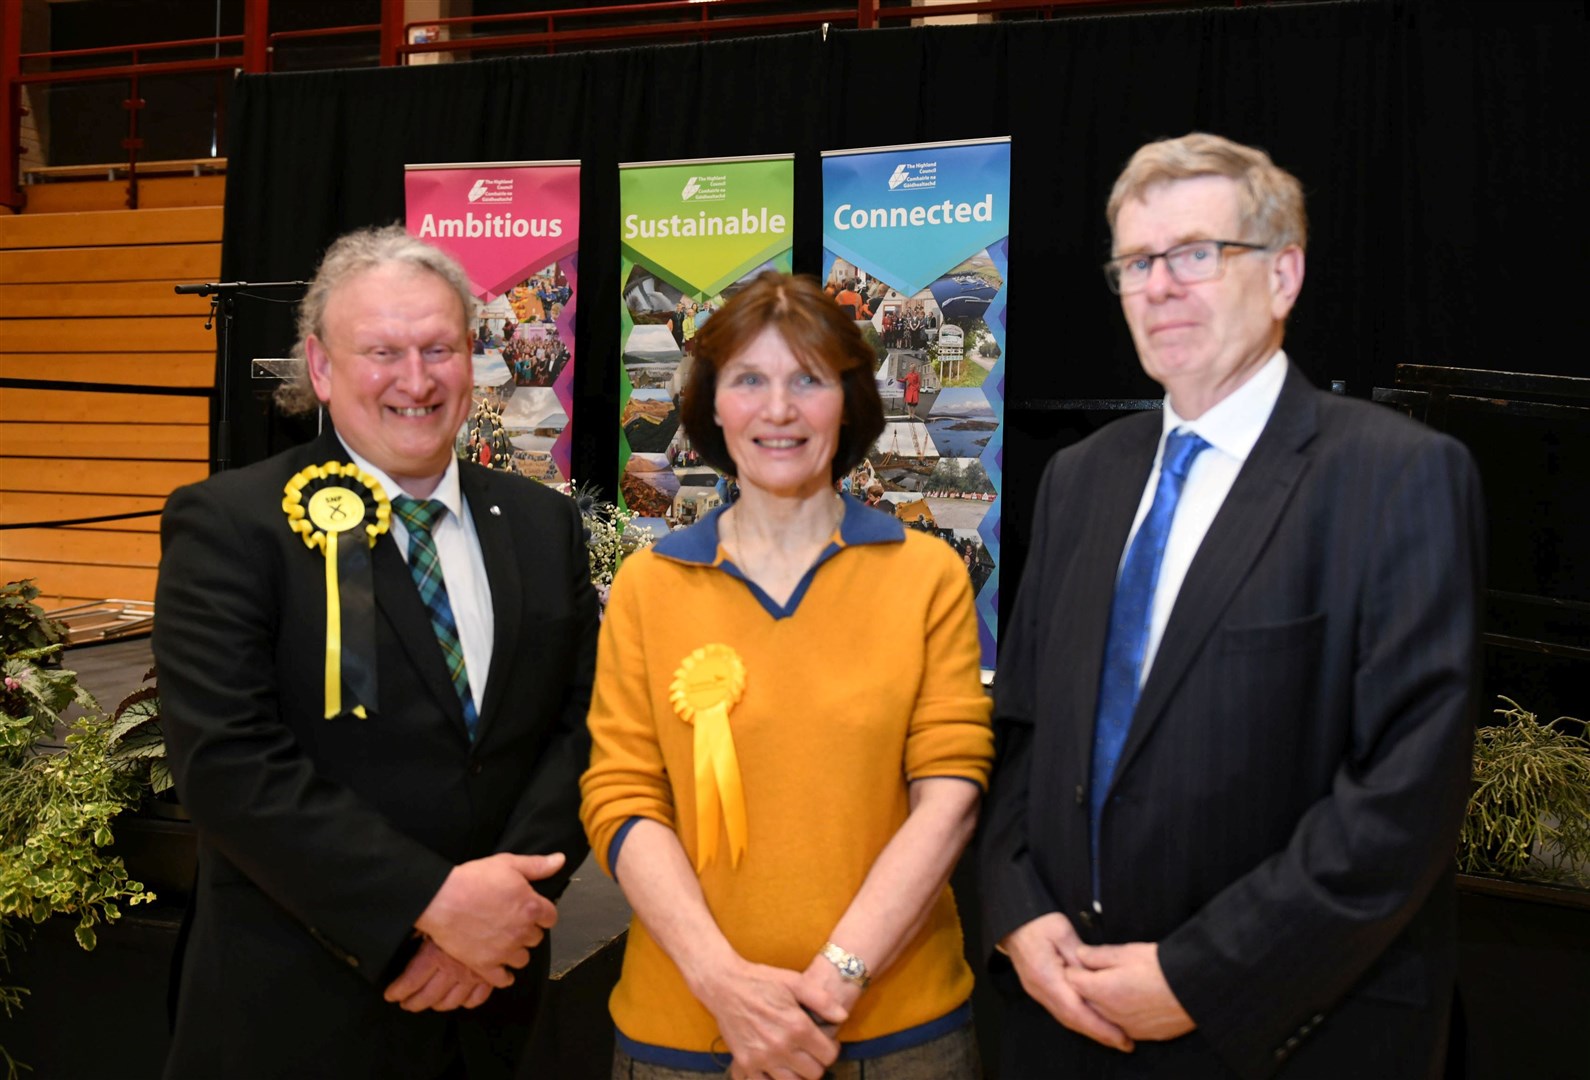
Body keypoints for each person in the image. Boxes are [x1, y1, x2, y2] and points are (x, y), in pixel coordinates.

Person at [979, 133, 1484, 1079]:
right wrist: (1017, 913)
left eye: (1197, 253)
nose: (1160, 286)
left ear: (1283, 275)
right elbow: (1026, 732)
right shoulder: (1079, 480)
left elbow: (1404, 795)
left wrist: (1199, 976)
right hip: (1061, 1019)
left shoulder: (1398, 475)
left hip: (1283, 1031)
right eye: (1137, 262)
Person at [153, 226, 599, 1079]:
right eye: (382, 351)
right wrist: (428, 907)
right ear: (320, 368)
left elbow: (588, 726)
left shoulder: (544, 526)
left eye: (440, 347)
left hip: (496, 1002)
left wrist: (502, 913)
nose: (417, 379)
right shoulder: (232, 524)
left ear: (474, 358)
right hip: (298, 1012)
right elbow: (227, 763)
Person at [581, 271, 993, 1080]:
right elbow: (621, 797)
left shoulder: (927, 576)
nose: (779, 410)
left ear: (850, 401)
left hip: (898, 1036)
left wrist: (832, 984)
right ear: (711, 406)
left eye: (809, 379)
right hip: (688, 1037)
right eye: (750, 380)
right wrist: (724, 985)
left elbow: (949, 794)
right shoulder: (648, 585)